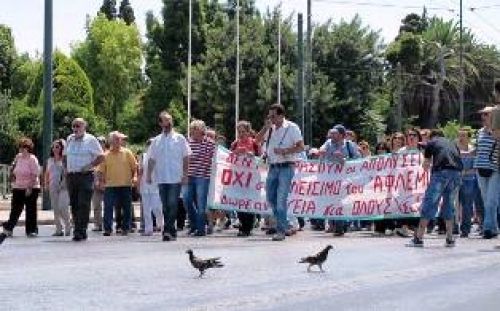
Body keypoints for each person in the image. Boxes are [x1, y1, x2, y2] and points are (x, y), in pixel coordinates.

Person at [255, 104, 304, 241]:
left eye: (274, 116)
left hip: (286, 167)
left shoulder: (292, 128)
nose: (271, 119)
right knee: (270, 198)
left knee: (281, 199)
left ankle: (281, 231)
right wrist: (265, 127)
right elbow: (257, 140)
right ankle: (285, 223)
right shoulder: (270, 128)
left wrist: (285, 151)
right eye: (269, 116)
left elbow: (301, 146)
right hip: (273, 167)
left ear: (282, 115)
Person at [408, 129, 463, 247]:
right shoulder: (452, 143)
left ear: (432, 137)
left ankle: (418, 237)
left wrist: (424, 165)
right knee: (449, 204)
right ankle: (450, 238)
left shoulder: (431, 143)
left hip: (441, 173)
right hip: (456, 174)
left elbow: (426, 165)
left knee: (430, 202)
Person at [147, 111, 190, 242]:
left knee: (172, 203)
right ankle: (171, 231)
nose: (169, 122)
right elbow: (151, 159)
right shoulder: (156, 141)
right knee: (165, 206)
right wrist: (148, 174)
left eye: (170, 120)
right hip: (162, 178)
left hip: (175, 177)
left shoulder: (180, 138)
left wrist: (185, 174)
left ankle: (167, 230)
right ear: (160, 123)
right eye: (165, 120)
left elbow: (186, 156)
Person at [64, 118, 104, 241]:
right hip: (72, 176)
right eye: (73, 126)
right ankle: (77, 227)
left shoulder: (91, 140)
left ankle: (81, 230)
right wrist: (66, 169)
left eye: (78, 126)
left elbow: (101, 156)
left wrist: (90, 165)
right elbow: (65, 156)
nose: (75, 129)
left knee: (83, 203)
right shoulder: (69, 139)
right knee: (74, 204)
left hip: (85, 176)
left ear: (84, 127)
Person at [318, 125, 360, 236]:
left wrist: (344, 159)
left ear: (341, 135)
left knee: (341, 201)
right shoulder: (328, 143)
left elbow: (358, 160)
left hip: (345, 178)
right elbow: (321, 150)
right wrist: (321, 152)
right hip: (330, 179)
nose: (332, 135)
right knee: (332, 201)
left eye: (334, 133)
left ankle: (341, 224)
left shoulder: (349, 145)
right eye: (331, 133)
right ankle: (337, 224)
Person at [98, 131, 138, 236]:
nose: (118, 141)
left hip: (125, 185)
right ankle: (107, 229)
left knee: (127, 207)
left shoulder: (127, 153)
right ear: (110, 141)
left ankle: (126, 228)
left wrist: (134, 177)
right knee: (108, 207)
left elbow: (135, 167)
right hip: (110, 186)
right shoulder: (105, 155)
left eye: (119, 139)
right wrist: (101, 182)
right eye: (116, 139)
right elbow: (101, 170)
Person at [2, 137, 41, 237]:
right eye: (20, 147)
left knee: (31, 209)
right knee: (15, 209)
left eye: (24, 147)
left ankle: (32, 230)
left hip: (31, 187)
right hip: (18, 186)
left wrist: (29, 187)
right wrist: (12, 177)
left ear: (28, 148)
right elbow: (14, 169)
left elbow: (35, 174)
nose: (22, 149)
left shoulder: (32, 159)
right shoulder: (18, 157)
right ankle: (9, 227)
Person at [183, 120, 216, 236]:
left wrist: (194, 160)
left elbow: (209, 160)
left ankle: (201, 229)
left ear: (201, 130)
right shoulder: (187, 142)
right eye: (192, 129)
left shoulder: (209, 143)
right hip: (189, 176)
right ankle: (194, 225)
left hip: (203, 177)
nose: (193, 132)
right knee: (186, 200)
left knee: (201, 204)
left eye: (195, 129)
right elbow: (184, 158)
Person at [231, 120, 261, 237]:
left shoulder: (254, 143)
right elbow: (228, 158)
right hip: (238, 179)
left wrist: (252, 156)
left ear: (249, 132)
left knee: (249, 202)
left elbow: (262, 159)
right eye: (239, 132)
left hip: (251, 179)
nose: (241, 134)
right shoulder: (235, 144)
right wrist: (235, 153)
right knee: (239, 202)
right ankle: (243, 225)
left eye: (243, 132)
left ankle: (248, 227)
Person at [473, 106, 499, 239]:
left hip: (494, 168)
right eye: (482, 114)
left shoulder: (497, 131)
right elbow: (476, 150)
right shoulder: (479, 132)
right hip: (480, 168)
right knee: (486, 200)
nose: (484, 117)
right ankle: (493, 228)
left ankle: (488, 228)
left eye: (487, 114)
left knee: (491, 200)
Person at [457, 128, 482, 238]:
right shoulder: (455, 150)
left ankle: (465, 229)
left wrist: (464, 172)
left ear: (469, 138)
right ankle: (452, 228)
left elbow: (476, 168)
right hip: (455, 180)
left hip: (469, 180)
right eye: (460, 135)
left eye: (463, 136)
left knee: (467, 205)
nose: (461, 138)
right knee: (453, 206)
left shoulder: (473, 150)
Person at [44, 139, 71, 236]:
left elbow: (68, 173)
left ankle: (68, 225)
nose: (55, 149)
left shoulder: (65, 160)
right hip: (53, 185)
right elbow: (47, 173)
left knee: (62, 207)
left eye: (57, 147)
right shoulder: (50, 160)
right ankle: (58, 229)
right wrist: (46, 184)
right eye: (53, 147)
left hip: (64, 186)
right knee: (55, 208)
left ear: (62, 148)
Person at [138, 139, 163, 236]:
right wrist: (138, 184)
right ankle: (148, 229)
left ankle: (161, 225)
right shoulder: (143, 156)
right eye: (149, 144)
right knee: (146, 208)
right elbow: (140, 171)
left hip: (155, 184)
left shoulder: (159, 156)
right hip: (144, 185)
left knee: (157, 207)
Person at [91, 136, 107, 232]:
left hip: (106, 183)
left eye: (102, 142)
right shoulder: (92, 155)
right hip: (95, 183)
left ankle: (106, 224)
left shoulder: (107, 154)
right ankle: (98, 224)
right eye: (98, 142)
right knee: (96, 205)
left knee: (107, 206)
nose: (100, 143)